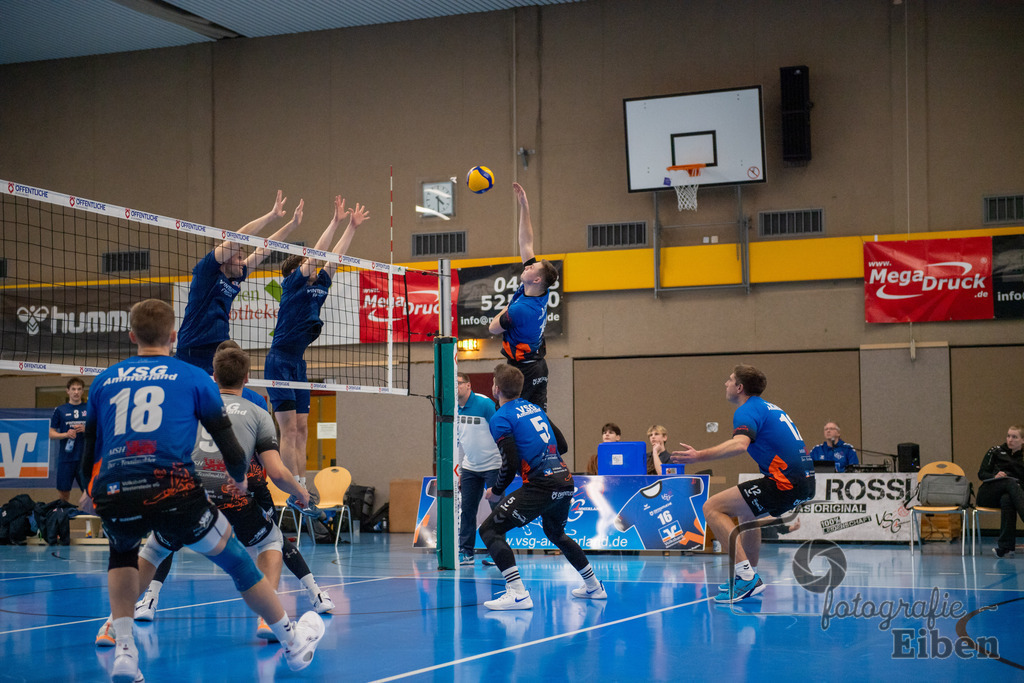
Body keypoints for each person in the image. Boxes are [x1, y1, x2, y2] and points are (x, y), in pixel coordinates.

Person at [81, 299, 324, 680]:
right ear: (174, 336)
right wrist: (240, 474)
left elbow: (89, 447)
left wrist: (89, 491)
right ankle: (293, 644)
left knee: (126, 554)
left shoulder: (103, 381)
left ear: (131, 336)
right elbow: (226, 440)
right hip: (174, 488)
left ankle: (125, 649)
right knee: (240, 562)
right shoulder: (193, 378)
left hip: (114, 488)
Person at [130, 346, 334, 627]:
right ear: (247, 377)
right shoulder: (258, 410)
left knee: (156, 547)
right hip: (236, 490)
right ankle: (270, 617)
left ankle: (120, 618)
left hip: (189, 494)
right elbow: (274, 471)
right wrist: (301, 491)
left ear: (213, 376)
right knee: (271, 540)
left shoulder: (191, 404)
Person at [670, 364, 814, 603]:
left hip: (786, 482)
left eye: (729, 380)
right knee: (748, 514)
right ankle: (747, 576)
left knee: (712, 508)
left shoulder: (746, 410)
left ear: (739, 387)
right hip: (804, 482)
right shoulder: (770, 408)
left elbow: (739, 445)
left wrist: (699, 456)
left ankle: (746, 578)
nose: (725, 384)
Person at [479, 364, 606, 610]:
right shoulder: (535, 408)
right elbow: (563, 445)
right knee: (556, 533)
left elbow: (510, 461)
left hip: (542, 484)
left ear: (496, 389)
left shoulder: (501, 418)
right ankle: (594, 586)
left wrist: (495, 490)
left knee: (489, 531)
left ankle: (517, 593)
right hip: (565, 480)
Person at [266, 196, 369, 488]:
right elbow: (319, 253)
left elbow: (334, 257)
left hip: (298, 363)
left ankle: (302, 486)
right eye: (308, 266)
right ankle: (292, 485)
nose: (315, 268)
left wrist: (351, 227)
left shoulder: (319, 283)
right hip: (279, 361)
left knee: (302, 429)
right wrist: (333, 221)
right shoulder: (292, 284)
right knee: (288, 431)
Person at [175, 190, 303, 374]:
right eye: (239, 257)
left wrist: (292, 225)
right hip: (191, 350)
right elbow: (237, 239)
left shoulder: (235, 277)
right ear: (225, 258)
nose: (243, 262)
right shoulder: (207, 272)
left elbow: (265, 249)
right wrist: (271, 216)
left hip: (218, 352)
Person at [487, 183, 559, 412]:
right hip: (535, 364)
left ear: (537, 279)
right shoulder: (540, 290)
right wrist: (524, 206)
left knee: (514, 419)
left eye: (531, 269)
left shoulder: (521, 310)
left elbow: (492, 328)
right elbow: (526, 243)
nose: (526, 268)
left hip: (524, 371)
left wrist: (508, 306)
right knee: (536, 419)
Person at [455, 372, 501, 567]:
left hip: (493, 465)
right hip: (470, 467)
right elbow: (459, 441)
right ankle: (466, 553)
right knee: (467, 510)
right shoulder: (454, 408)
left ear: (468, 385)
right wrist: (460, 471)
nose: (454, 387)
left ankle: (497, 553)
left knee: (497, 511)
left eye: (457, 383)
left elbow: (501, 431)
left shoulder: (485, 404)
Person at [977, 425, 1024, 558]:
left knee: (1007, 499)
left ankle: (1005, 548)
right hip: (988, 494)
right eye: (1008, 436)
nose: (1010, 440)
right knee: (1009, 482)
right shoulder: (995, 451)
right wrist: (994, 476)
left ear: (1022, 440)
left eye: (1014, 437)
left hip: (1011, 496)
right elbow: (981, 474)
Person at [49, 377, 87, 503]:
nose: (76, 392)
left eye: (79, 389)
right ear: (68, 391)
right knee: (63, 494)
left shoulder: (90, 408)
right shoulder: (60, 410)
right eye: (73, 389)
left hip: (84, 459)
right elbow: (51, 433)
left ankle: (92, 522)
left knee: (89, 494)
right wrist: (66, 434)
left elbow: (99, 430)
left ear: (82, 391)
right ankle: (63, 520)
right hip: (66, 458)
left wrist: (86, 429)